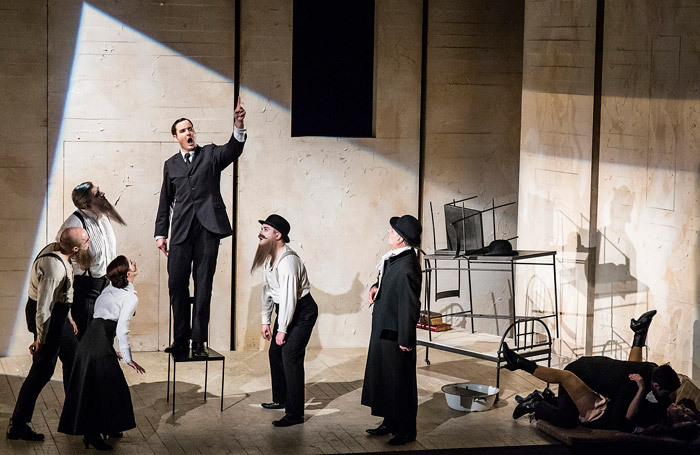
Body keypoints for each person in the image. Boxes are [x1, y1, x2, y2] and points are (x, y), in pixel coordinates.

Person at [155, 98, 246, 357]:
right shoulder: (170, 164)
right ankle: (181, 339)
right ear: (176, 137)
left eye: (191, 128)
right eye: (183, 130)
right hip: (181, 231)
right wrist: (161, 234)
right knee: (177, 285)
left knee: (203, 284)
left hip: (208, 229)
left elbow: (233, 149)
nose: (189, 133)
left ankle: (199, 342)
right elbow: (165, 200)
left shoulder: (211, 154)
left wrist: (238, 124)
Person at [504, 309, 681, 432]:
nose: (670, 398)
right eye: (666, 392)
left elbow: (636, 365)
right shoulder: (633, 385)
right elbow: (619, 420)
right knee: (566, 419)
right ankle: (534, 400)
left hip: (596, 367)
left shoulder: (652, 370)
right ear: (655, 385)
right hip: (580, 373)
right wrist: (637, 428)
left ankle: (639, 332)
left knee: (569, 407)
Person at [7, 227, 91, 441]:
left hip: (58, 314)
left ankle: (76, 416)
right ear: (74, 248)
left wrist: (68, 317)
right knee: (41, 372)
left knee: (73, 359)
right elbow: (43, 308)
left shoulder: (59, 251)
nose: (89, 243)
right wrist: (40, 339)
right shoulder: (54, 268)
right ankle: (18, 424)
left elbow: (61, 295)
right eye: (86, 241)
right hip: (48, 318)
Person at [59, 255, 145, 451]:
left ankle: (109, 427)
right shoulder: (130, 297)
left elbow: (101, 319)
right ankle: (92, 434)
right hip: (98, 341)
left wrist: (108, 346)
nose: (134, 261)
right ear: (128, 273)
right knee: (105, 387)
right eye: (131, 262)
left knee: (107, 386)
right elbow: (122, 329)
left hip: (91, 339)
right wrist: (129, 358)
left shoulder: (109, 289)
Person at [361, 215, 422, 446]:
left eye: (391, 230)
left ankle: (406, 430)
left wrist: (406, 338)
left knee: (400, 382)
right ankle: (390, 422)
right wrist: (377, 286)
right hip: (385, 329)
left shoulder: (407, 267)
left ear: (400, 237)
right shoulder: (395, 260)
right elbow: (387, 282)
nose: (388, 232)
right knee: (387, 378)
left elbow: (409, 304)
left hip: (396, 333)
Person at [253, 215, 318, 427]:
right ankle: (281, 399)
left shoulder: (288, 261)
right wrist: (265, 321)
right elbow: (267, 291)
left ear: (278, 235)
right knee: (275, 352)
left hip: (302, 311)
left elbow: (290, 298)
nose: (261, 232)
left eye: (265, 229)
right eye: (261, 228)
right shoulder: (269, 258)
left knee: (290, 355)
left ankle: (295, 414)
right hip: (285, 311)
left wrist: (282, 329)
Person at [57, 182, 126, 340]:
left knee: (104, 334)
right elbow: (63, 256)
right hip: (87, 289)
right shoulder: (74, 224)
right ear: (87, 205)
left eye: (99, 190)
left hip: (106, 285)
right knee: (87, 336)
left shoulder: (103, 219)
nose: (103, 194)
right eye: (97, 194)